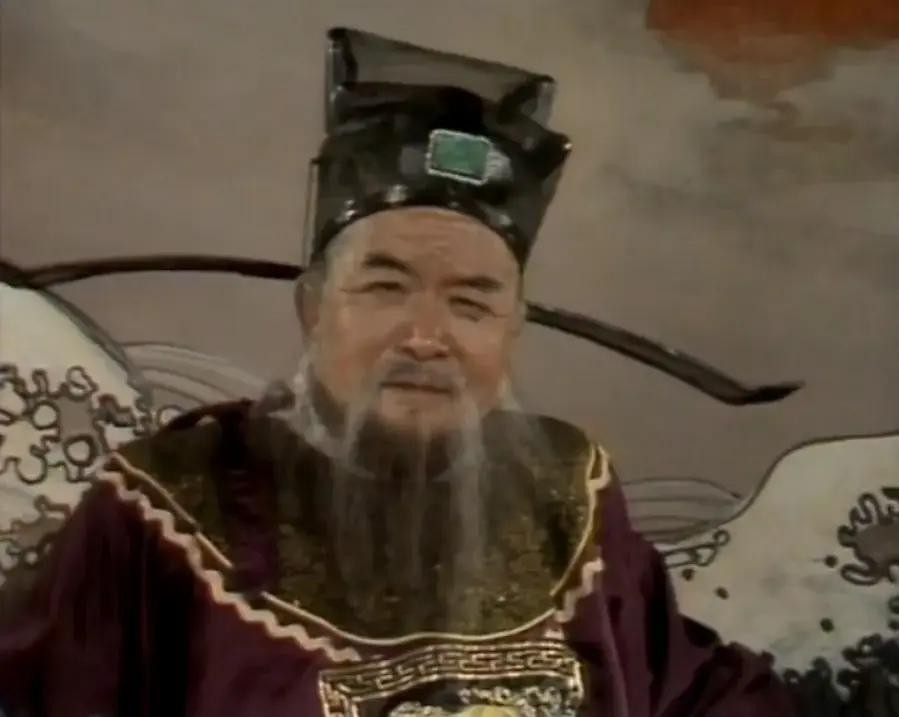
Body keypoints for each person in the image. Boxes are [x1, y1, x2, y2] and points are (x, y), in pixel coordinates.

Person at [0, 27, 801, 717]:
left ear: (511, 329)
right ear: (313, 307)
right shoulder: (168, 506)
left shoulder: (568, 493)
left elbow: (694, 689)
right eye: (384, 287)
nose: (425, 337)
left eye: (471, 302)